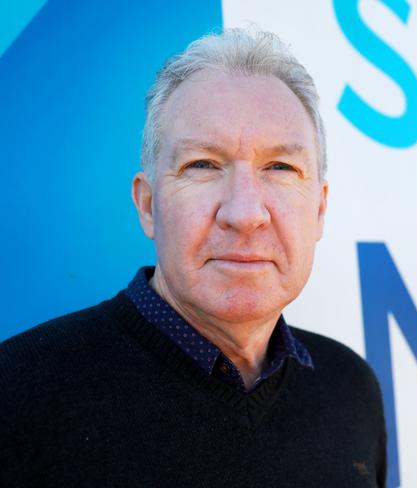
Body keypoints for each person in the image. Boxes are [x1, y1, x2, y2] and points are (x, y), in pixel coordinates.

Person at [0, 29, 386, 487]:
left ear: (319, 209)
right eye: (202, 165)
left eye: (280, 167)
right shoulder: (17, 394)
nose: (245, 214)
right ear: (147, 205)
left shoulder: (349, 387)